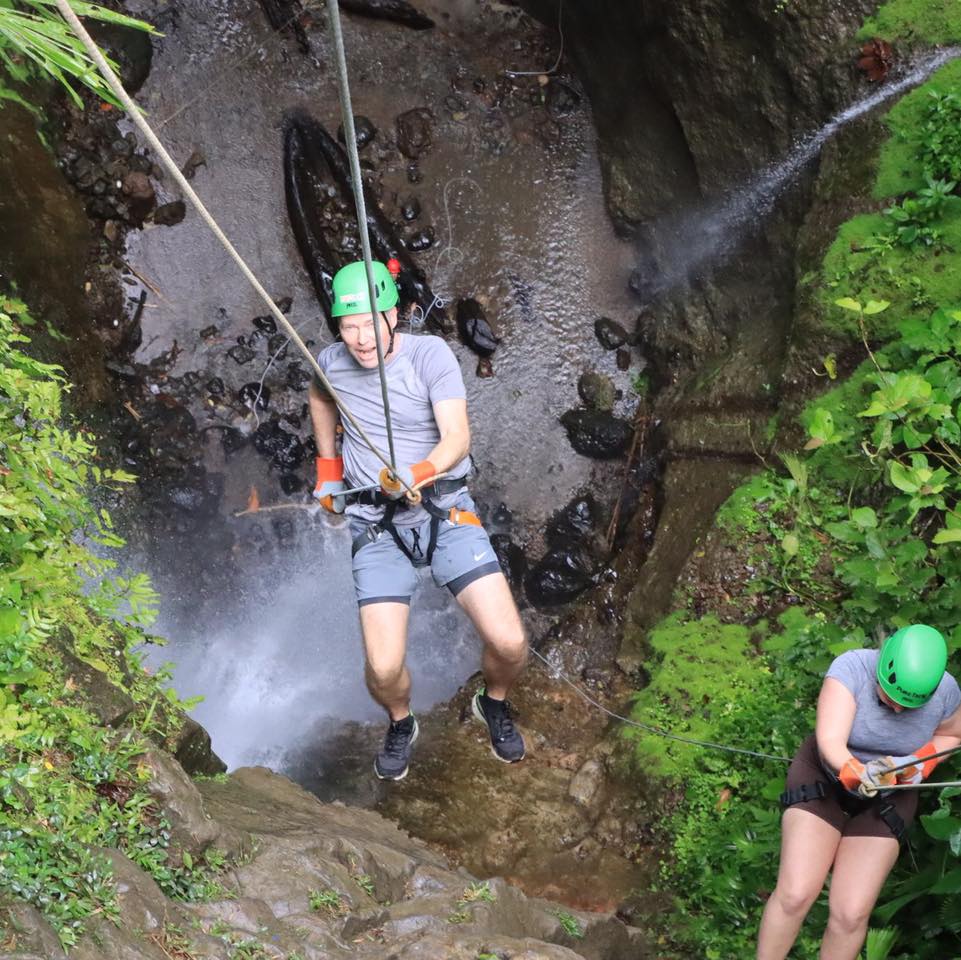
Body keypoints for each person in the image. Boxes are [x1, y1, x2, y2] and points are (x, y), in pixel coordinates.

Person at [307, 259, 528, 781]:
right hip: (375, 524)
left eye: (370, 322)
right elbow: (320, 396)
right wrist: (328, 471)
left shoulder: (431, 356)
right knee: (383, 669)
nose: (360, 338)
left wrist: (421, 470)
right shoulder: (331, 363)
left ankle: (492, 702)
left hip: (443, 510)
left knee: (510, 643)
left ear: (394, 315)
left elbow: (457, 436)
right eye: (348, 325)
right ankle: (401, 721)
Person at [757, 624, 961, 960]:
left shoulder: (947, 693)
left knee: (851, 914)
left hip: (890, 795)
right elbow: (830, 741)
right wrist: (855, 770)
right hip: (825, 780)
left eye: (906, 707)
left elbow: (951, 736)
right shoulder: (851, 669)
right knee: (795, 894)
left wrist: (915, 763)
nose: (896, 710)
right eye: (888, 697)